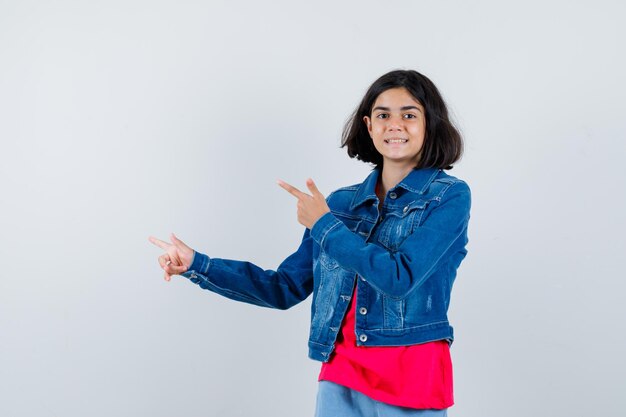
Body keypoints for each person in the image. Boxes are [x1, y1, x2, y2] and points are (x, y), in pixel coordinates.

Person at [149, 69, 471, 417]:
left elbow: (399, 277)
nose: (394, 125)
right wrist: (198, 264)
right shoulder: (339, 204)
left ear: (430, 124)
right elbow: (284, 287)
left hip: (412, 379)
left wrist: (325, 225)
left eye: (409, 115)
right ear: (368, 125)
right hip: (340, 375)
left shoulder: (449, 197)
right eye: (383, 115)